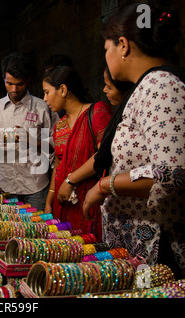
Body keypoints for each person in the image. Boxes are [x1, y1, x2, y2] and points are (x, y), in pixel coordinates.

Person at [83, 4, 185, 292]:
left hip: (161, 248)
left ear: (122, 45)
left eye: (106, 49)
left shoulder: (160, 85)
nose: (105, 58)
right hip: (143, 245)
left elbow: (173, 170)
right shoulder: (146, 87)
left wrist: (106, 185)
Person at [0, 52, 59, 211]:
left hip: (36, 186)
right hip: (7, 185)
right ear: (3, 78)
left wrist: (33, 142)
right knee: (11, 232)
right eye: (9, 83)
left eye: (19, 84)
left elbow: (58, 144)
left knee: (39, 231)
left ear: (28, 80)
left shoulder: (42, 107)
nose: (14, 89)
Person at [43, 66, 112, 240]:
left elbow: (103, 153)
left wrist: (70, 180)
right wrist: (49, 201)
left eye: (47, 92)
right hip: (64, 204)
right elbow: (59, 164)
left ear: (63, 90)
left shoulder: (97, 112)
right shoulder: (59, 126)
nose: (45, 99)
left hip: (90, 200)